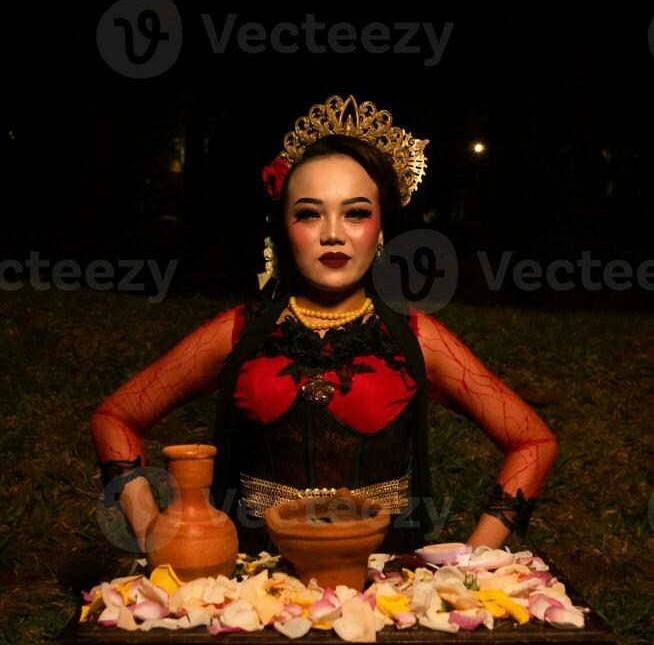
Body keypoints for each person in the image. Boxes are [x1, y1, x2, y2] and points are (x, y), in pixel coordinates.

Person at [90, 94, 559, 560]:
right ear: (283, 229)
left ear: (381, 231)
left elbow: (533, 442)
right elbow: (115, 418)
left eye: (355, 212)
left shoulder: (416, 338)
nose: (332, 233)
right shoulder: (238, 332)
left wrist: (473, 562)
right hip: (255, 600)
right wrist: (153, 533)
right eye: (309, 213)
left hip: (384, 600)